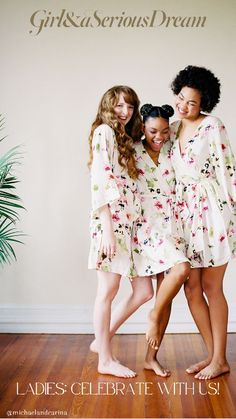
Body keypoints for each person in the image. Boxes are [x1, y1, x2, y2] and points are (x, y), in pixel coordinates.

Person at [170, 65, 236, 379]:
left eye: (192, 103)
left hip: (212, 213)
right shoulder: (170, 129)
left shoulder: (213, 126)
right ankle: (214, 357)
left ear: (203, 105)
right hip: (183, 217)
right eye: (181, 98)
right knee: (191, 289)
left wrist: (232, 217)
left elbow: (228, 172)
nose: (184, 106)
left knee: (212, 285)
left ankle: (219, 358)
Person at [88, 86, 154, 378]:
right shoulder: (104, 132)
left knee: (143, 291)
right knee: (108, 291)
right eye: (119, 106)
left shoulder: (126, 139)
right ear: (108, 107)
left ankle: (101, 339)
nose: (125, 112)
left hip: (131, 224)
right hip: (110, 223)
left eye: (130, 106)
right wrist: (107, 230)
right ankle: (105, 358)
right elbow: (100, 179)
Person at [132, 104, 190, 376]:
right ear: (142, 127)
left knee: (164, 294)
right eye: (153, 130)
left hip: (176, 225)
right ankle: (154, 316)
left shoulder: (172, 147)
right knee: (182, 269)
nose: (159, 136)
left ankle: (149, 358)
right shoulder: (131, 151)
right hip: (148, 228)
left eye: (164, 131)